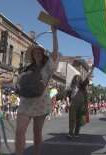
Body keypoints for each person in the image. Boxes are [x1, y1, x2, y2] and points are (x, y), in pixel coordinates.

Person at [15, 26, 59, 155]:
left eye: (39, 52)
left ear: (43, 54)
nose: (37, 54)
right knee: (19, 131)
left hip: (41, 102)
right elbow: (19, 82)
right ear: (32, 55)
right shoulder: (27, 68)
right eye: (35, 52)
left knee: (37, 132)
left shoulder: (48, 67)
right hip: (25, 102)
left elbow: (55, 52)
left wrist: (54, 33)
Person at [67, 68, 93, 139]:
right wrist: (68, 102)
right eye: (76, 78)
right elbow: (68, 96)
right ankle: (70, 133)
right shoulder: (71, 87)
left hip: (81, 105)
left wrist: (91, 70)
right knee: (72, 119)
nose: (77, 79)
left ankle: (76, 132)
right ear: (74, 79)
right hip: (73, 104)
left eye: (79, 78)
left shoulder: (82, 87)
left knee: (79, 119)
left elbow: (87, 79)